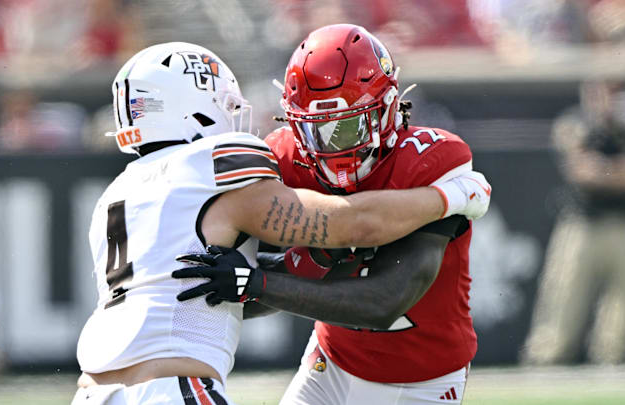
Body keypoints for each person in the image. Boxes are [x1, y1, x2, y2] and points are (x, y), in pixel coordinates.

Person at [71, 41, 491, 405]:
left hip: (95, 389)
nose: (325, 147)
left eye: (342, 130)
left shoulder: (118, 193)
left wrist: (264, 278)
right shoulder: (219, 168)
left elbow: (210, 284)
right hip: (171, 388)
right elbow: (354, 223)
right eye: (224, 104)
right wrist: (453, 196)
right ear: (195, 113)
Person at [522, 81, 625, 365]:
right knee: (564, 299)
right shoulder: (575, 123)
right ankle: (547, 361)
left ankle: (614, 362)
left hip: (622, 225)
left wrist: (607, 172)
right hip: (580, 225)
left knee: (621, 308)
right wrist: (620, 172)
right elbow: (582, 169)